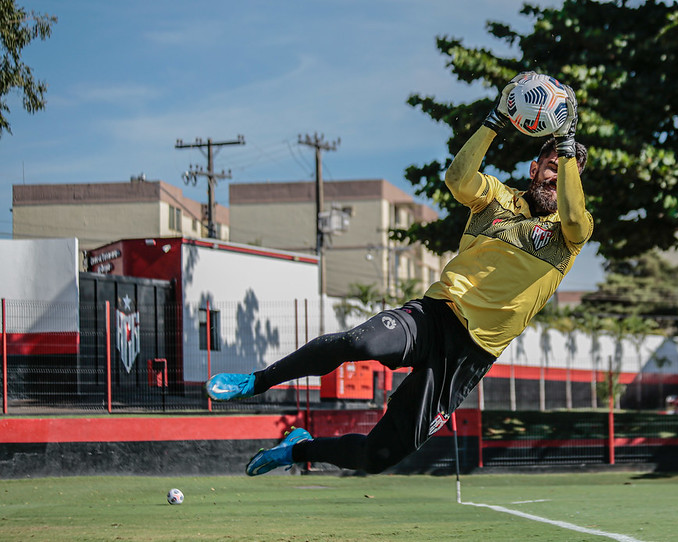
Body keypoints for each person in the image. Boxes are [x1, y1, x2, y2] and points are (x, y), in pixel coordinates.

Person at [205, 71, 592, 476]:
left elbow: (573, 213)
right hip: (434, 316)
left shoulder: (572, 231)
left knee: (377, 458)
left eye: (568, 173)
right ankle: (258, 381)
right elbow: (457, 180)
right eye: (551, 166)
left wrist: (567, 148)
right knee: (361, 344)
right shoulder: (496, 197)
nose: (557, 177)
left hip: (468, 357)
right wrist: (495, 118)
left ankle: (298, 449)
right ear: (533, 168)